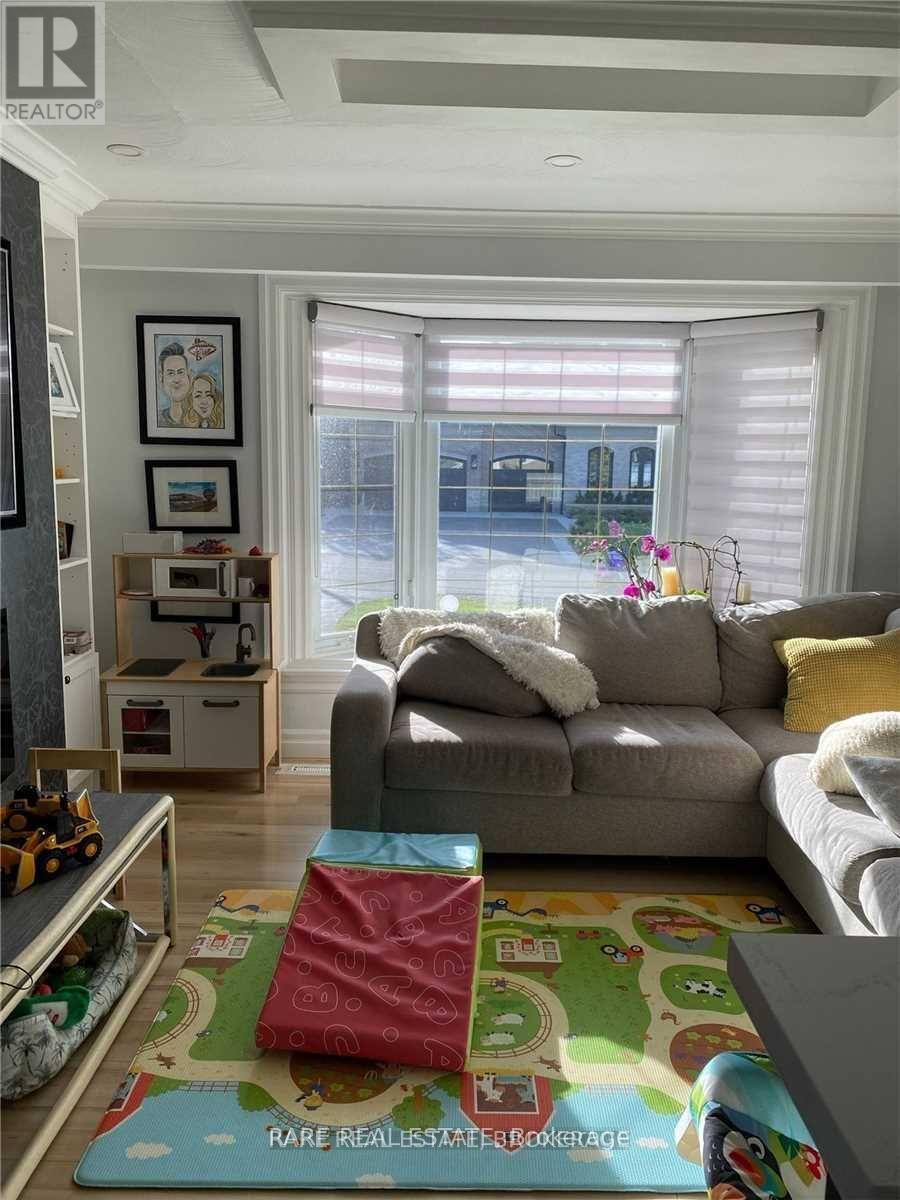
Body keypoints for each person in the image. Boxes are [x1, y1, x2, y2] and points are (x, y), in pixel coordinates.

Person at [157, 341, 191, 427]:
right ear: (161, 379)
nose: (176, 380)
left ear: (189, 376)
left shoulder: (203, 417)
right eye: (170, 373)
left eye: (180, 372)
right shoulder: (157, 419)